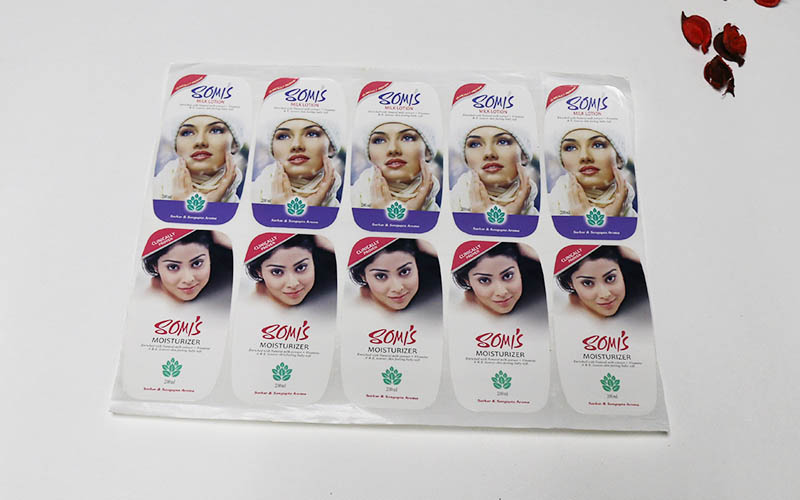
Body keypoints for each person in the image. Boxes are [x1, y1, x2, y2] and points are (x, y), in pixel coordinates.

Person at [153, 113, 246, 203]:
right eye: (187, 133)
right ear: (176, 147)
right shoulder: (150, 191)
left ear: (234, 145)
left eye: (215, 131)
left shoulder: (247, 202)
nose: (200, 141)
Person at [252, 118, 342, 207]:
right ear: (273, 150)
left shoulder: (346, 207)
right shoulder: (248, 198)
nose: (296, 145)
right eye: (283, 136)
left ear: (331, 148)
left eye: (311, 134)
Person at [352, 122, 440, 211]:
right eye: (379, 140)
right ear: (370, 155)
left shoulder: (444, 213)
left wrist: (412, 214)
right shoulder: (347, 202)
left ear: (428, 152)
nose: (393, 149)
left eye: (407, 138)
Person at [549, 127, 636, 217]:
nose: (584, 156)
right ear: (563, 163)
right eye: (571, 148)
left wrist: (611, 219)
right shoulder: (545, 211)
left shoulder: (639, 220)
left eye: (598, 145)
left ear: (619, 159)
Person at [451, 126, 538, 215]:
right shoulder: (447, 208)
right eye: (475, 144)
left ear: (524, 156)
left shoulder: (542, 217)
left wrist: (512, 219)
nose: (489, 153)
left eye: (503, 142)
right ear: (466, 159)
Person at [349, 239, 440, 312]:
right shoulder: (354, 310)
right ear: (363, 276)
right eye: (381, 276)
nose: (397, 288)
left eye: (404, 271)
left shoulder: (436, 292)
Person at [245, 235, 336, 307]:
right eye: (277, 272)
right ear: (259, 272)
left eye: (301, 267)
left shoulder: (332, 287)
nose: (293, 284)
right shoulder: (251, 306)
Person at [555, 246, 646, 318]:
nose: (605, 294)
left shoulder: (643, 296)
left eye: (610, 278)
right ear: (570, 284)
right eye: (588, 283)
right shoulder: (564, 317)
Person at [142, 230, 232, 302]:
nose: (188, 279)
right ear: (155, 266)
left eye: (197, 263)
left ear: (209, 256)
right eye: (173, 267)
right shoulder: (144, 300)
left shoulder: (226, 282)